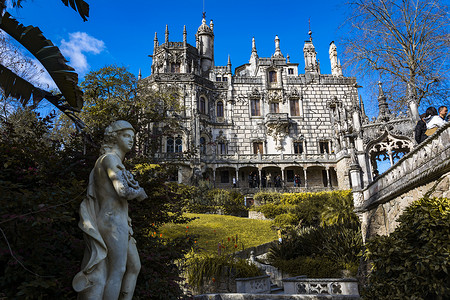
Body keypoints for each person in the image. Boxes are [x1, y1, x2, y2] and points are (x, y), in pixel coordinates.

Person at [73, 120, 148, 300]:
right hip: (112, 221)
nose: (131, 140)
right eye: (126, 135)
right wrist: (139, 192)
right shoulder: (110, 159)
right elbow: (123, 190)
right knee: (117, 270)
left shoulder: (113, 161)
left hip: (121, 222)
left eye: (133, 137)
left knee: (134, 267)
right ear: (115, 137)